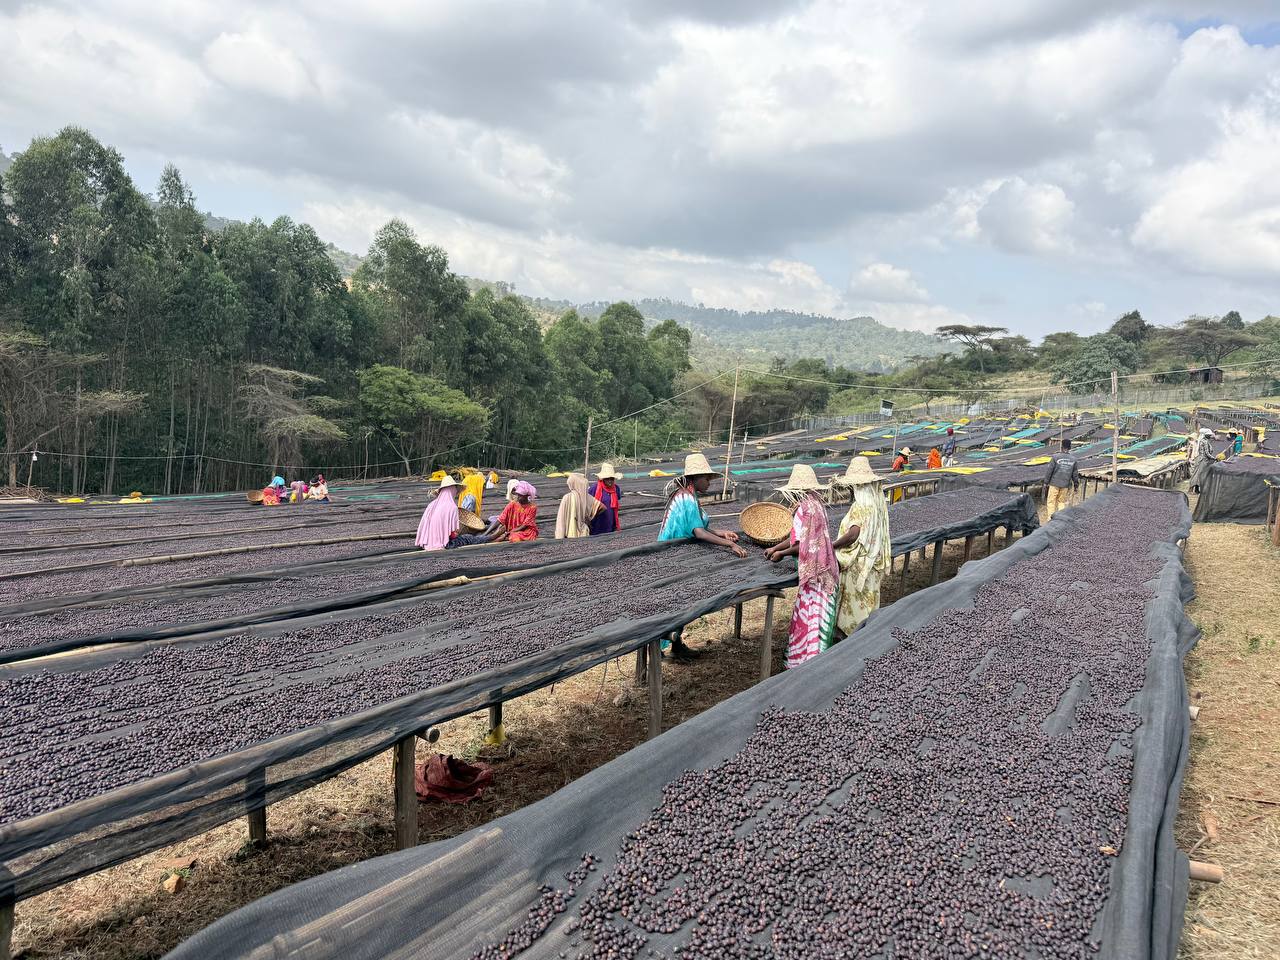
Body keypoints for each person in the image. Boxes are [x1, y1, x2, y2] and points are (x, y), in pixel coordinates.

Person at [764, 465, 839, 669]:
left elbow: (799, 545)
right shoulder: (816, 504)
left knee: (810, 619)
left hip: (813, 573)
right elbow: (797, 538)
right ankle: (814, 662)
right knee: (818, 617)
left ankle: (806, 665)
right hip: (825, 568)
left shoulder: (802, 509)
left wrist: (780, 553)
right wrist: (775, 547)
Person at [829, 457, 892, 639]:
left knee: (854, 608)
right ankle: (866, 637)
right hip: (872, 563)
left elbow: (853, 534)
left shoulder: (861, 505)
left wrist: (832, 545)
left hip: (858, 566)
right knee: (868, 603)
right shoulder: (878, 504)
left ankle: (851, 639)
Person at [658, 454, 747, 558]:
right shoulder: (686, 498)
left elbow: (697, 528)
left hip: (679, 547)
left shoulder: (689, 494)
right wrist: (731, 544)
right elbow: (699, 533)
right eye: (707, 479)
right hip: (669, 550)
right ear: (697, 478)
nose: (709, 483)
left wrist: (722, 533)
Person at [416, 476, 460, 550]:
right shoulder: (452, 507)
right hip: (444, 543)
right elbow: (452, 535)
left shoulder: (432, 505)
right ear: (453, 490)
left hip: (426, 542)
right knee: (469, 538)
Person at [555, 472, 602, 539]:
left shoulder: (567, 497)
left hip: (569, 534)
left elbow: (561, 520)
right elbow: (602, 507)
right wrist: (590, 518)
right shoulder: (587, 497)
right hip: (583, 533)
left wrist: (559, 537)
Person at [1043, 439, 1081, 518]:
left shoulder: (1055, 457)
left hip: (1054, 484)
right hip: (1065, 485)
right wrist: (1076, 485)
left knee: (1051, 502)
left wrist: (1046, 482)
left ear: (1061, 447)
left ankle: (1050, 519)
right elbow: (1075, 475)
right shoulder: (1073, 460)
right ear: (1070, 448)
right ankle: (1060, 519)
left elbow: (1049, 471)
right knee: (1061, 502)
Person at [589, 462, 622, 535]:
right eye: (607, 479)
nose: (610, 481)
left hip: (610, 520)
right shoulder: (594, 488)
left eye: (612, 479)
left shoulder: (616, 488)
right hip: (597, 520)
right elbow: (587, 503)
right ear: (603, 479)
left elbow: (617, 502)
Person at [1190, 428, 1215, 493]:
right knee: (1200, 474)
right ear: (1205, 435)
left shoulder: (1202, 440)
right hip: (1203, 460)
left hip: (1200, 458)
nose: (1210, 436)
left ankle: (1196, 489)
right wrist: (1214, 458)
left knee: (1198, 474)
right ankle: (1196, 489)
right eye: (1209, 435)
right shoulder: (1205, 441)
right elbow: (1207, 453)